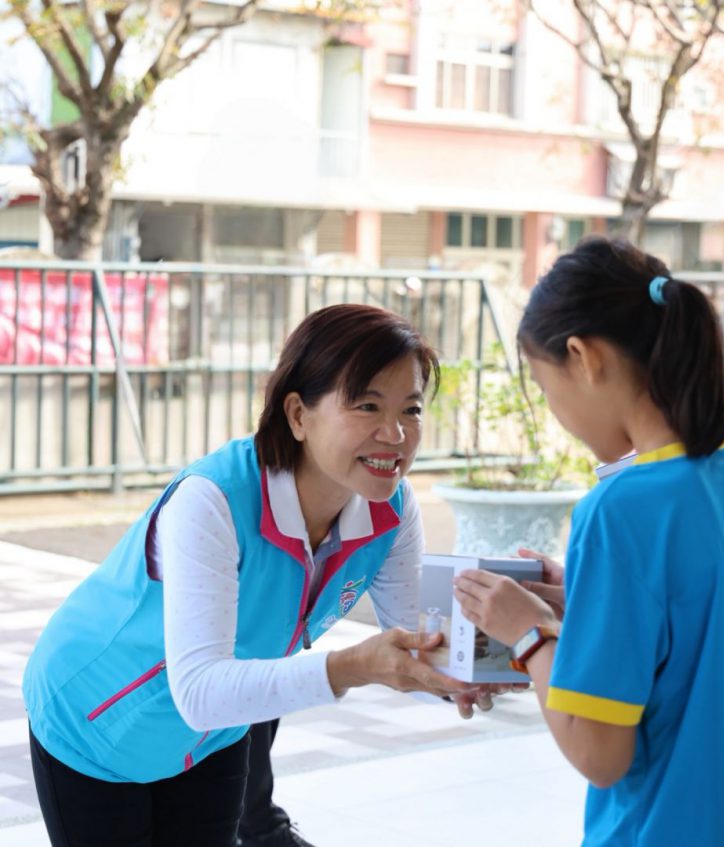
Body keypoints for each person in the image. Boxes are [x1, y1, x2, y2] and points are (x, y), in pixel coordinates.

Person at [22, 304, 480, 847]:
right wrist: (351, 667)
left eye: (412, 409)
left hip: (217, 732)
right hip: (95, 724)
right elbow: (197, 690)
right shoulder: (214, 501)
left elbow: (415, 646)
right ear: (298, 414)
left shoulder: (393, 510)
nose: (396, 434)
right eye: (367, 406)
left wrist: (490, 660)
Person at [453, 237, 724, 846]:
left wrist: (527, 632)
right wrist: (584, 597)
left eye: (546, 389)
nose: (556, 414)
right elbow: (710, 624)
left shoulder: (620, 510)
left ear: (583, 357)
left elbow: (599, 752)